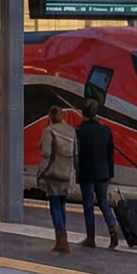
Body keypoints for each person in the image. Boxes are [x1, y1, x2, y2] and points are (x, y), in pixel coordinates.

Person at [76, 102, 121, 248]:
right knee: (103, 203)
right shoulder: (105, 130)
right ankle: (112, 229)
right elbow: (110, 154)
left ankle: (90, 238)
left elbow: (78, 154)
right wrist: (110, 173)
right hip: (103, 173)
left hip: (86, 173)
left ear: (83, 114)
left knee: (88, 205)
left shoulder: (79, 131)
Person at [38, 107, 81, 254]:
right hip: (67, 174)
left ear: (50, 117)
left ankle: (61, 240)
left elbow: (46, 154)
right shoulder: (71, 131)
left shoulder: (49, 131)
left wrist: (40, 173)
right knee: (62, 205)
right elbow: (76, 154)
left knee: (54, 204)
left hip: (53, 174)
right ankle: (63, 237)